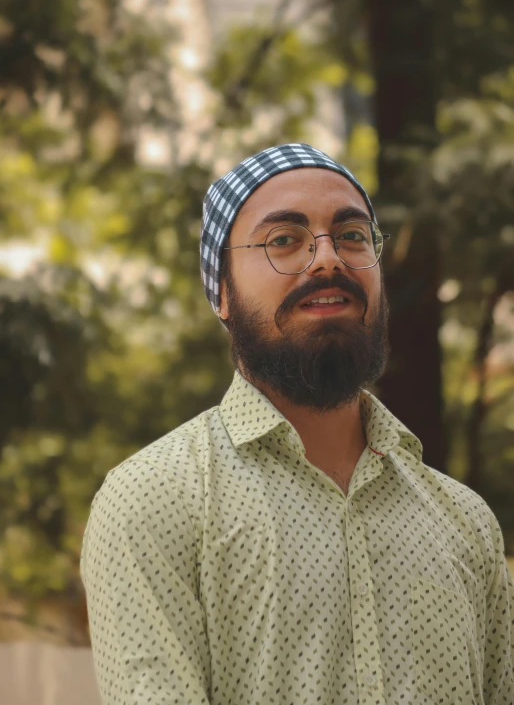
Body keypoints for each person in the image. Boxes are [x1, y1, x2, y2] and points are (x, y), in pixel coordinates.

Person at [80, 143, 514, 705]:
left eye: (353, 236)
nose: (328, 259)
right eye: (284, 240)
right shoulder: (154, 499)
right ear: (222, 293)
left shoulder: (466, 521)